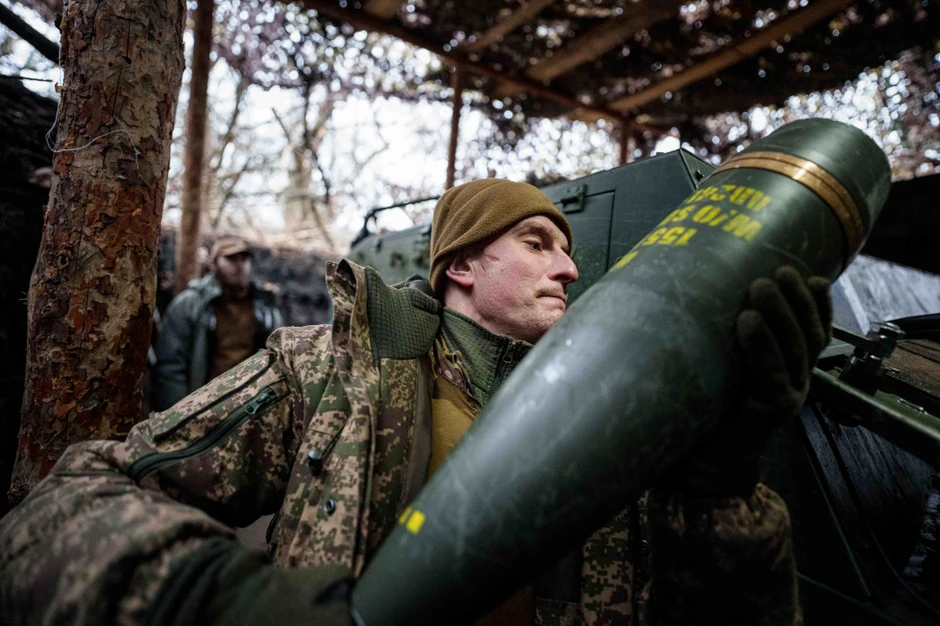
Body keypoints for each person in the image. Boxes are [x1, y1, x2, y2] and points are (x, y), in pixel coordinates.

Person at [0, 179, 831, 625]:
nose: (571, 269)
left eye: (569, 250)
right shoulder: (332, 375)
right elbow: (69, 501)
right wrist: (213, 596)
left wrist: (721, 492)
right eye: (538, 244)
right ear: (460, 267)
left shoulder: (627, 416)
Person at [154, 236, 283, 410]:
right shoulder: (190, 305)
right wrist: (180, 413)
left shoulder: (266, 308)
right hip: (203, 405)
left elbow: (278, 362)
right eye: (230, 258)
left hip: (250, 407)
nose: (239, 265)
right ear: (212, 264)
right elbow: (171, 366)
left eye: (244, 259)